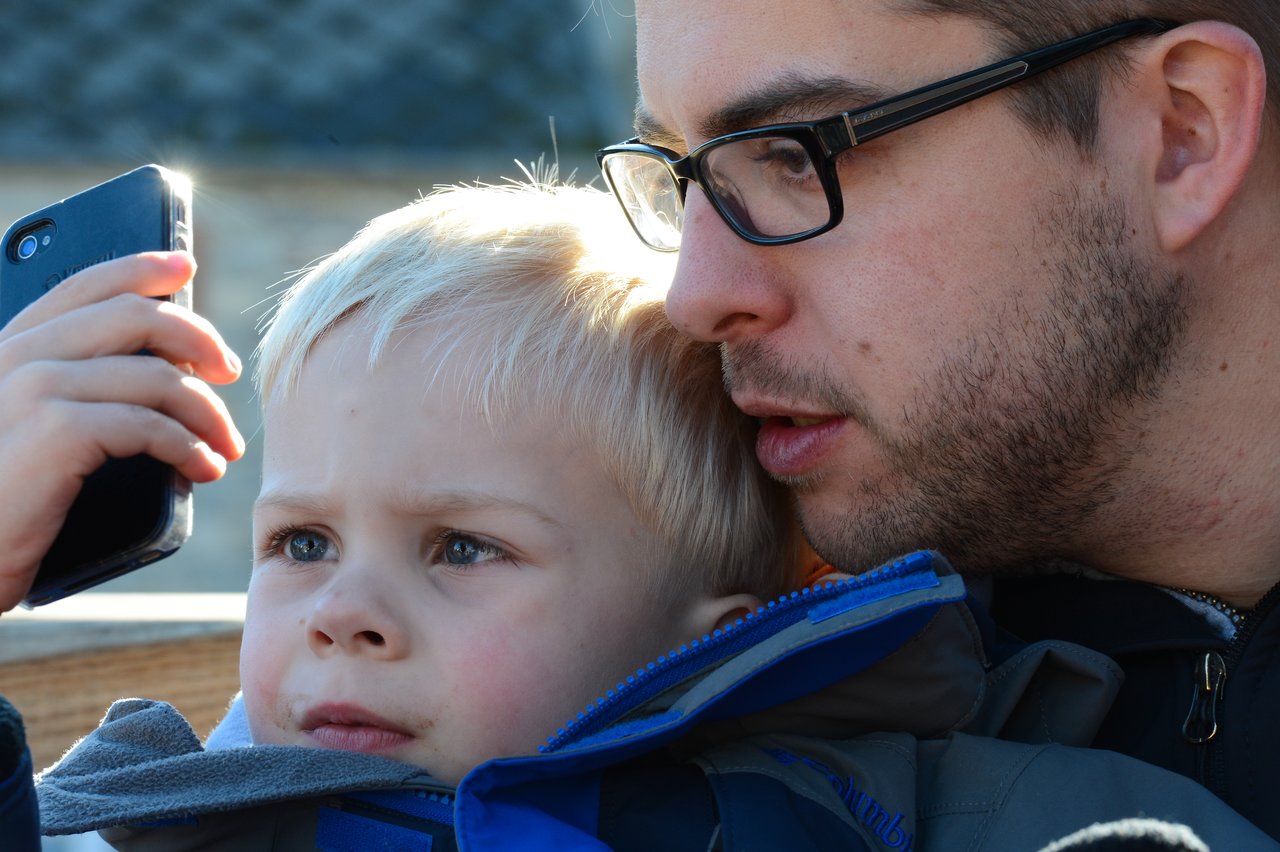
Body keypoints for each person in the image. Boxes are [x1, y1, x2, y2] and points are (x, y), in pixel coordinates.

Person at [26, 182, 1274, 850]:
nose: (343, 614)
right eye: (302, 542)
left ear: (706, 640)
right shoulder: (174, 820)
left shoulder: (890, 809)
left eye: (462, 547)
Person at [595, 0, 1280, 841]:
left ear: (1183, 134)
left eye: (795, 156)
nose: (692, 298)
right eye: (683, 175)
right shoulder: (695, 725)